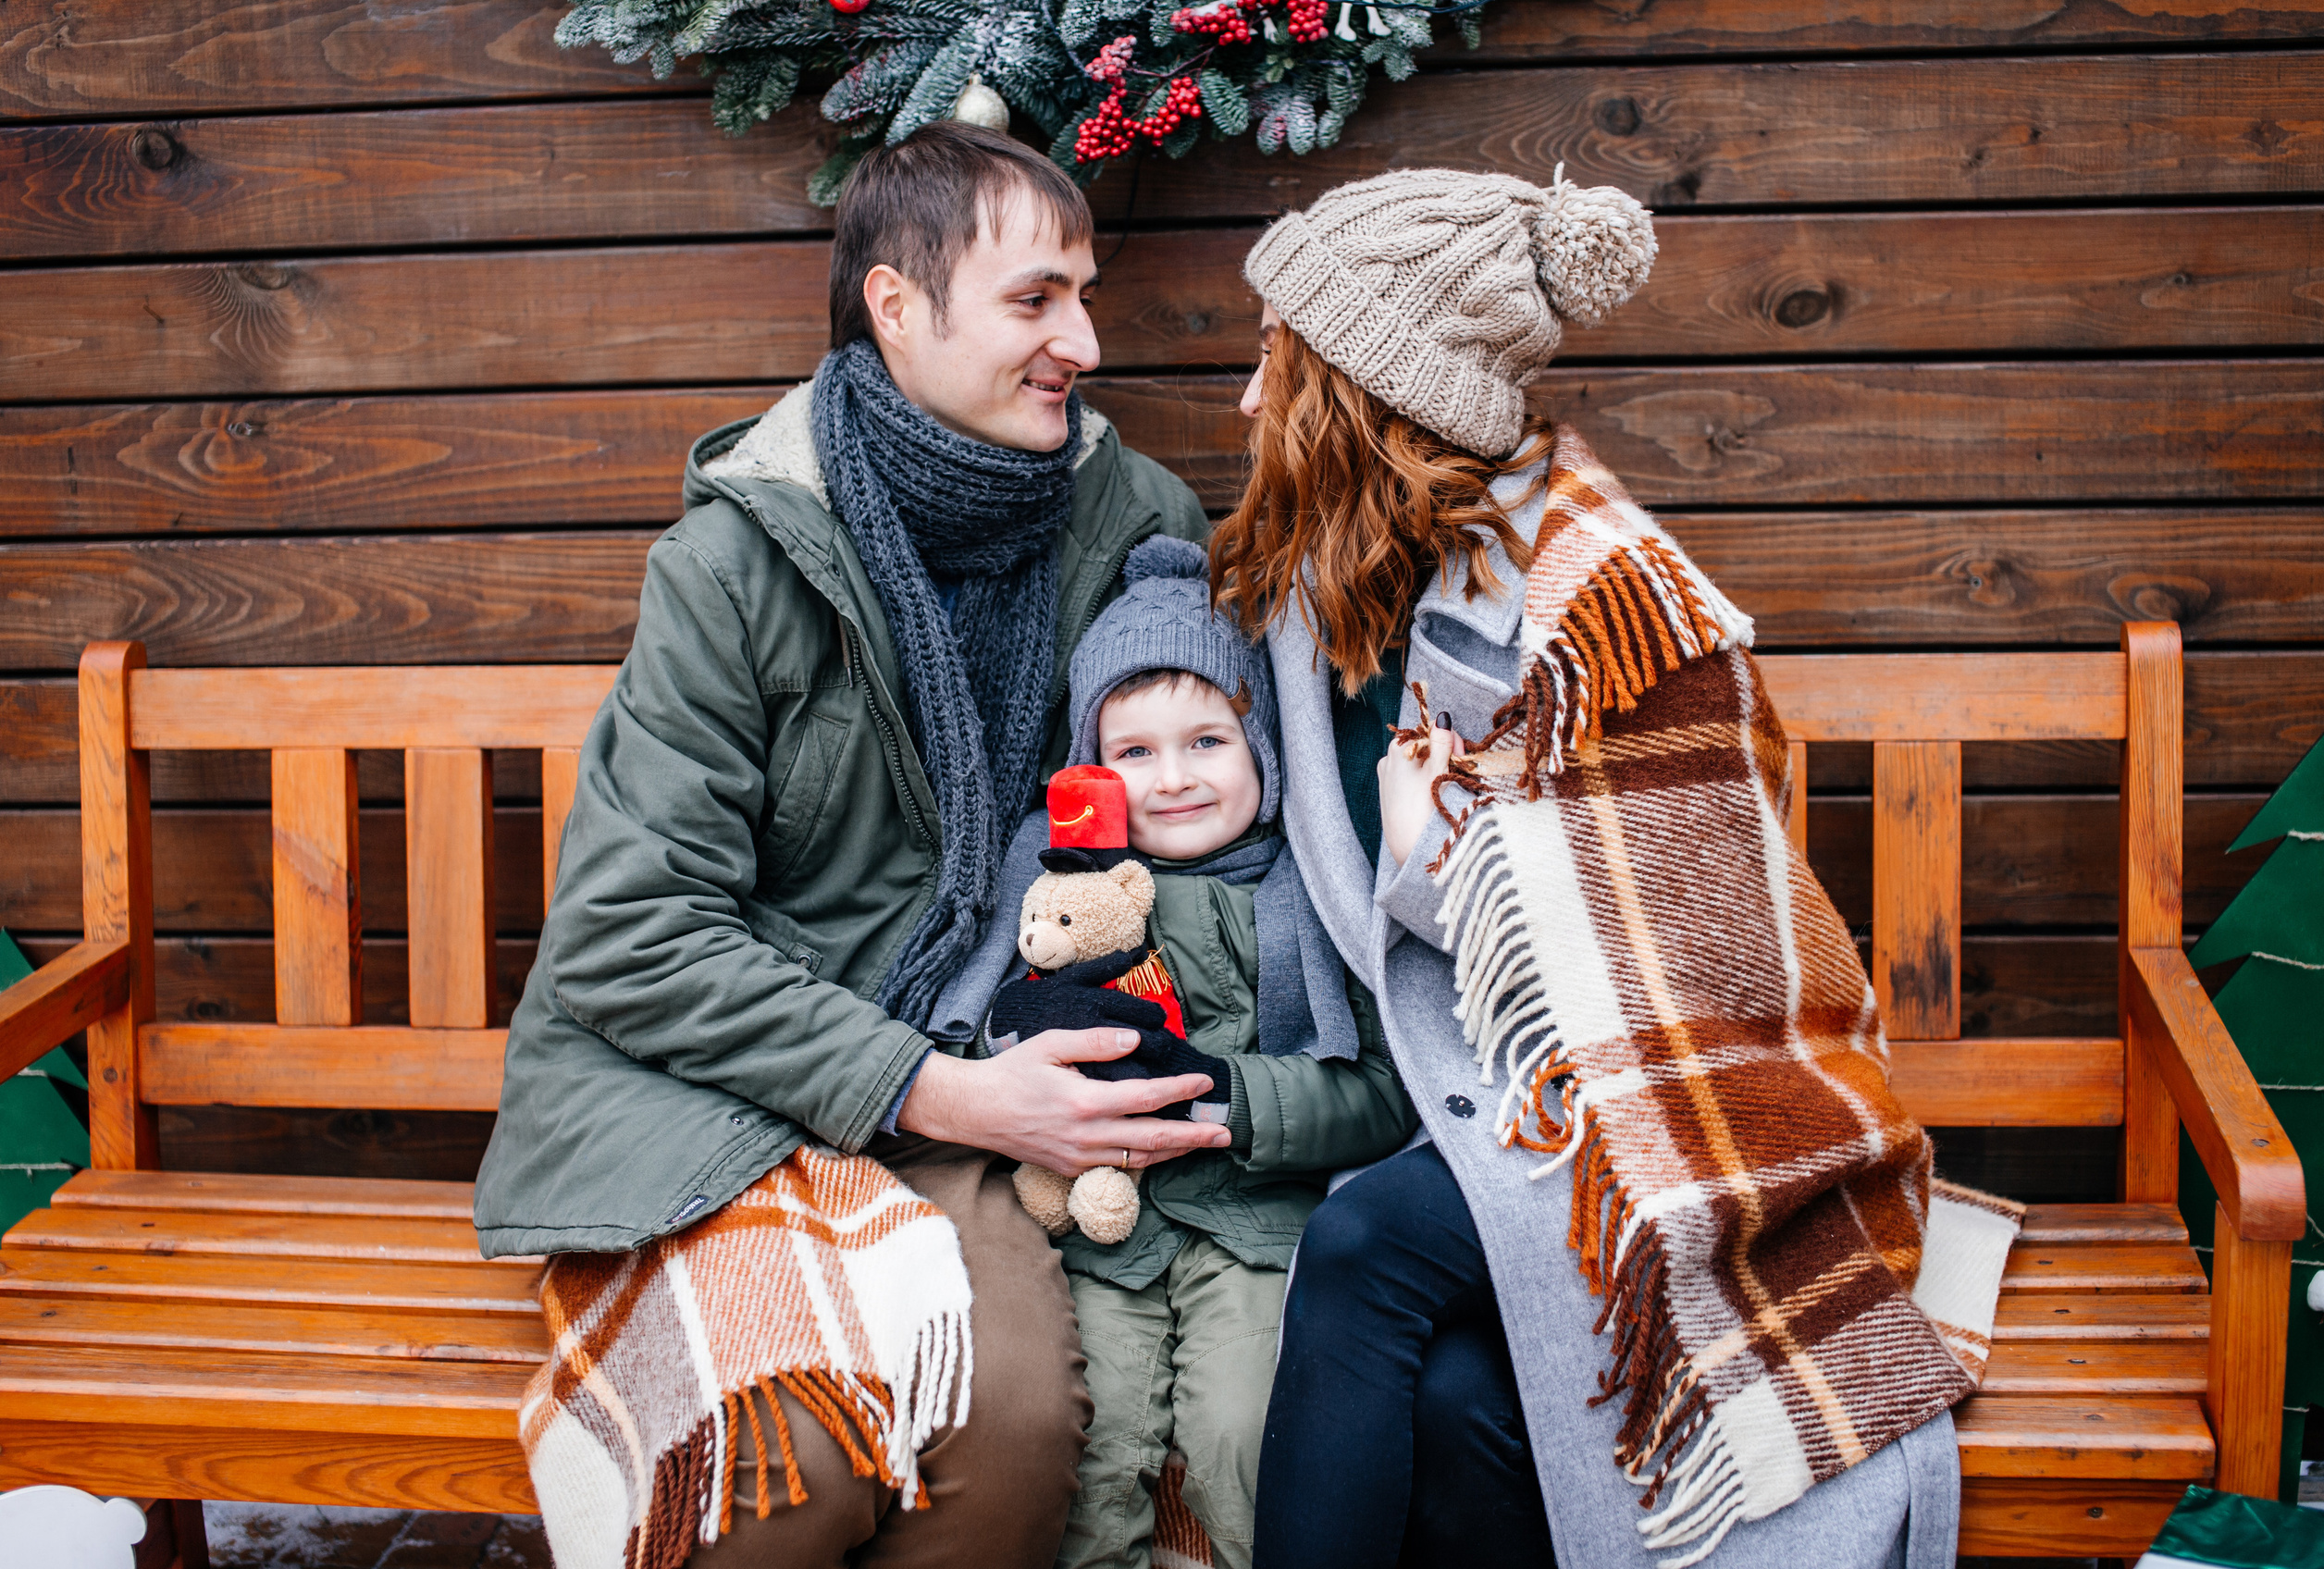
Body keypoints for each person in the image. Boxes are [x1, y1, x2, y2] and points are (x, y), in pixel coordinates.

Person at [474, 123, 1226, 1568]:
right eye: (1034, 299)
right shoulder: (739, 561)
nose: (1081, 338)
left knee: (1005, 1436)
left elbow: (1197, 811)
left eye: (1085, 294)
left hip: (975, 1064)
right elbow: (634, 934)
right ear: (897, 305)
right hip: (706, 1098)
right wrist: (940, 1091)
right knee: (787, 1461)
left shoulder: (1134, 526)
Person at [1216, 169, 1978, 1569]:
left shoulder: (1610, 616)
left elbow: (1692, 969)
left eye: (1275, 357)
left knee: (1367, 1248)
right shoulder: (1328, 585)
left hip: (1682, 1104)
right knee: (1451, 1400)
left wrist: (1431, 847)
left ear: (1363, 385)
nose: (1250, 404)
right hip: (1475, 1099)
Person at [932, 537, 1416, 1569]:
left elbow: (1381, 1093)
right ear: (1088, 777)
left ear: (1265, 754)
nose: (1175, 779)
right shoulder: (1058, 889)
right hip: (1100, 1234)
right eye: (1135, 754)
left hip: (1255, 1225)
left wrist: (1231, 1102)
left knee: (1242, 1438)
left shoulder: (1310, 892)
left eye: (1208, 742)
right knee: (1090, 1449)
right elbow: (987, 1023)